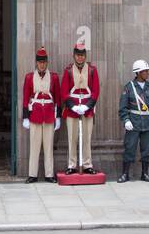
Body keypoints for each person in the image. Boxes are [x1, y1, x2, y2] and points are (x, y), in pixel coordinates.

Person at [21, 47, 61, 183]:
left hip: (49, 115)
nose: (42, 64)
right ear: (36, 63)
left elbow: (58, 98)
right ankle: (32, 174)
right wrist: (25, 117)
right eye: (39, 62)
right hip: (35, 115)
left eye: (44, 62)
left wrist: (58, 117)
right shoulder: (29, 77)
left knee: (49, 146)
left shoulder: (54, 77)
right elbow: (26, 97)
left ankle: (49, 174)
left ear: (47, 62)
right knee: (34, 146)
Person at [119, 60, 149, 183]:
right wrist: (126, 120)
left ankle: (145, 173)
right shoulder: (129, 87)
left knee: (146, 150)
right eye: (144, 71)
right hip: (134, 123)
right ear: (137, 72)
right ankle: (125, 174)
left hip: (148, 123)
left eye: (147, 71)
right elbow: (122, 107)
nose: (147, 73)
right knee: (130, 148)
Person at [60, 42, 100, 175]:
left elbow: (95, 91)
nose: (80, 58)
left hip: (87, 109)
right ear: (74, 56)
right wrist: (73, 106)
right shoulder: (68, 71)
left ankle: (87, 164)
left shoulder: (92, 70)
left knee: (87, 138)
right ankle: (72, 165)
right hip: (73, 110)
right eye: (78, 55)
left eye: (82, 55)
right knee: (72, 138)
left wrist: (87, 106)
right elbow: (64, 92)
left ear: (85, 56)